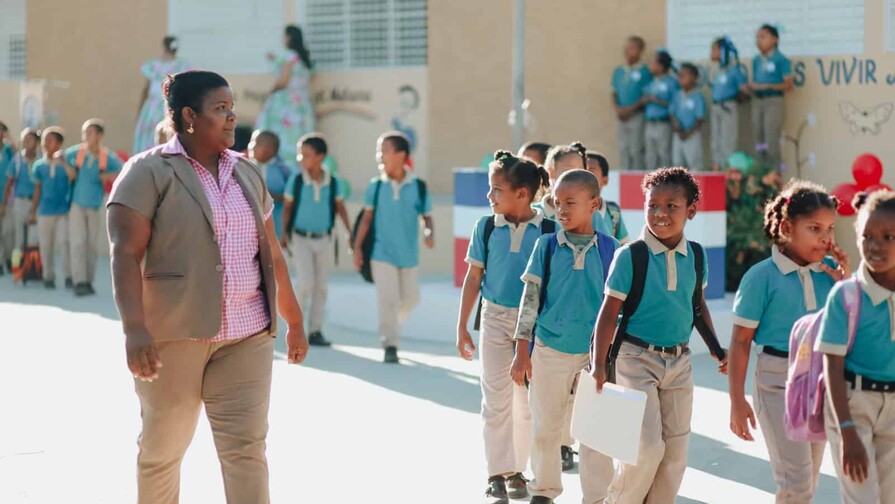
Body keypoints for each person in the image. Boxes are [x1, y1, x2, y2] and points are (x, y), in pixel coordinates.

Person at [107, 70, 309, 504]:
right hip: (175, 335)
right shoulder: (147, 171)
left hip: (247, 335)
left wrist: (293, 318)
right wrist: (133, 329)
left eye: (232, 107)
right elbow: (125, 253)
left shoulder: (248, 173)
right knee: (162, 452)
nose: (232, 116)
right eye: (220, 108)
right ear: (189, 116)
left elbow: (272, 254)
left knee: (246, 452)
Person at [592, 167, 727, 503]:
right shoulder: (630, 256)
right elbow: (608, 314)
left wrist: (716, 348)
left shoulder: (696, 255)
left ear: (690, 211)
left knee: (675, 456)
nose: (660, 214)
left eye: (671, 206)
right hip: (636, 359)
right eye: (653, 205)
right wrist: (597, 365)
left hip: (679, 362)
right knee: (647, 447)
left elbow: (696, 307)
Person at [729, 181, 849, 502]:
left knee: (808, 479)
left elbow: (854, 327)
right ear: (786, 227)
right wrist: (737, 401)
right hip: (776, 382)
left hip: (820, 382)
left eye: (830, 229)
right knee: (794, 482)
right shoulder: (760, 277)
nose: (825, 237)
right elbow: (741, 342)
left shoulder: (831, 272)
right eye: (814, 228)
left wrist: (845, 284)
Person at [511, 168, 620, 504]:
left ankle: (596, 496)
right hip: (549, 349)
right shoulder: (546, 247)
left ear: (595, 204)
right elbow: (529, 301)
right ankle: (543, 491)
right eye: (557, 203)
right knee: (545, 426)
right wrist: (522, 350)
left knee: (595, 431)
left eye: (570, 202)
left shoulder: (611, 250)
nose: (562, 210)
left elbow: (618, 307)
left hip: (594, 356)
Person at [457, 150, 551, 503]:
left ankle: (517, 471)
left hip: (533, 326)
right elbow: (473, 278)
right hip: (494, 319)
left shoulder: (548, 231)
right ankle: (496, 471)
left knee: (526, 401)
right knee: (495, 398)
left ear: (523, 194)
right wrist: (462, 326)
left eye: (496, 189)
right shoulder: (485, 227)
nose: (489, 196)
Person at [817, 190, 895, 504]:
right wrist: (846, 430)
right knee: (862, 498)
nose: (876, 245)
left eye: (889, 236)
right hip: (852, 406)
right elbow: (831, 367)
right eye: (868, 236)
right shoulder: (846, 296)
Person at [352, 132, 434, 363]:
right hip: (381, 253)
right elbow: (366, 220)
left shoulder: (418, 186)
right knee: (387, 299)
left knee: (410, 299)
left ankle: (392, 323)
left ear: (401, 155)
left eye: (384, 150)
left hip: (408, 254)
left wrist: (429, 233)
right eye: (379, 150)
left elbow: (427, 216)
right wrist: (357, 248)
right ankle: (390, 344)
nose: (380, 156)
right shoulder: (375, 186)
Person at [281, 133, 352, 348]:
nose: (301, 159)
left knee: (321, 287)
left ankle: (316, 330)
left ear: (320, 157)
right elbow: (287, 208)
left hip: (325, 239)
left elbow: (340, 208)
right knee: (305, 284)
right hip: (301, 238)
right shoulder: (296, 180)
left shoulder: (333, 181)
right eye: (300, 155)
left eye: (307, 155)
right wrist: (284, 234)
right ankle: (297, 327)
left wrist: (350, 233)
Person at [65, 119, 123, 296]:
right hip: (77, 203)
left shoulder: (106, 157)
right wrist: (69, 170)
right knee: (77, 242)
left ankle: (88, 281)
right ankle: (79, 281)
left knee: (91, 245)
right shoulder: (78, 153)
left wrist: (108, 176)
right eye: (85, 133)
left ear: (99, 135)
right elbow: (60, 157)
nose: (86, 136)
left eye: (90, 133)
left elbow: (124, 169)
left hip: (96, 204)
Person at [255, 25, 316, 169]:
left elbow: (284, 80)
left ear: (288, 37)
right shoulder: (302, 59)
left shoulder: (289, 56)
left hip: (287, 106)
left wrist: (270, 92)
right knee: (299, 138)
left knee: (283, 139)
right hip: (301, 105)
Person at [28, 126, 75, 289]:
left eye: (50, 140)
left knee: (65, 244)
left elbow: (73, 176)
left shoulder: (67, 162)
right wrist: (33, 211)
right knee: (46, 246)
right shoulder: (39, 165)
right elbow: (37, 189)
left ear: (59, 144)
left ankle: (68, 276)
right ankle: (48, 276)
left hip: (63, 211)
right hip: (44, 211)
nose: (45, 144)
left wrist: (61, 162)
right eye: (44, 141)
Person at [745, 24, 793, 170]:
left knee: (771, 141)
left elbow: (789, 85)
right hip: (757, 101)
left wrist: (769, 86)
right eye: (757, 37)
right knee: (758, 142)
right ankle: (760, 177)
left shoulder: (781, 60)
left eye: (763, 37)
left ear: (774, 39)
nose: (759, 41)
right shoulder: (756, 60)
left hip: (773, 101)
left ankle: (774, 176)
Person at [133, 35, 190, 154]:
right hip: (169, 105)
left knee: (150, 133)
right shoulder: (180, 65)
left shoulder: (154, 66)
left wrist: (139, 111)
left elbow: (146, 89)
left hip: (152, 106)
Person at [612, 36, 652, 171]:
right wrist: (618, 109)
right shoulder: (619, 71)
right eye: (627, 48)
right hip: (621, 115)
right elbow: (614, 92)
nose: (628, 51)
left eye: (633, 48)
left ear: (640, 51)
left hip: (636, 115)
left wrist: (630, 109)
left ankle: (637, 179)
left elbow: (646, 96)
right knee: (624, 148)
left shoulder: (644, 71)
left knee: (636, 149)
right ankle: (624, 176)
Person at [709, 37, 747, 170]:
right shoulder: (717, 70)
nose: (711, 52)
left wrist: (732, 99)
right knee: (716, 142)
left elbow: (744, 91)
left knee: (727, 142)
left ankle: (728, 174)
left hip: (728, 107)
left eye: (714, 49)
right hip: (716, 107)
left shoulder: (734, 69)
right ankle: (716, 170)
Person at [2, 128, 40, 256]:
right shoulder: (17, 160)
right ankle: (18, 270)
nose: (26, 142)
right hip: (20, 202)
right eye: (24, 140)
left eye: (29, 140)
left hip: (37, 203)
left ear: (37, 142)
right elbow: (9, 183)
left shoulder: (40, 161)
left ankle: (32, 269)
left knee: (33, 239)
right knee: (19, 239)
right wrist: (4, 204)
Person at [249, 130, 293, 238]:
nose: (251, 146)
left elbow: (291, 199)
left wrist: (268, 195)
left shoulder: (283, 171)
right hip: (251, 228)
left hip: (276, 228)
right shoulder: (246, 167)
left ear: (269, 150)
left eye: (255, 143)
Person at [642, 50, 678, 171]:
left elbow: (675, 103)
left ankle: (666, 183)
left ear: (661, 66)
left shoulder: (671, 82)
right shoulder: (651, 82)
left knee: (664, 155)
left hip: (663, 123)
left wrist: (657, 100)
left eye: (654, 62)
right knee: (650, 156)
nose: (651, 65)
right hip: (650, 123)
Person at [532, 142, 587, 220]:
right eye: (569, 170)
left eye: (580, 171)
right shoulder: (533, 213)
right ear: (550, 172)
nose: (576, 176)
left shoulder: (589, 213)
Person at [585, 151, 629, 244]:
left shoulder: (613, 212)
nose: (585, 176)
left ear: (605, 180)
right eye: (581, 170)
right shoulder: (569, 209)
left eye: (591, 171)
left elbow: (623, 245)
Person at [670, 63, 707, 170]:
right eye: (679, 75)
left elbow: (700, 118)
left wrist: (688, 132)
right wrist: (677, 127)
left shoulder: (697, 96)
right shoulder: (677, 95)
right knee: (677, 164)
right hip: (678, 134)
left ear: (694, 78)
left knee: (694, 163)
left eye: (684, 75)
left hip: (692, 135)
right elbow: (672, 113)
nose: (680, 78)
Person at [0, 121, 13, 274]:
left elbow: (17, 156)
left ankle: (9, 258)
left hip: (8, 196)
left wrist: (8, 136)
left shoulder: (8, 150)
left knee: (8, 231)